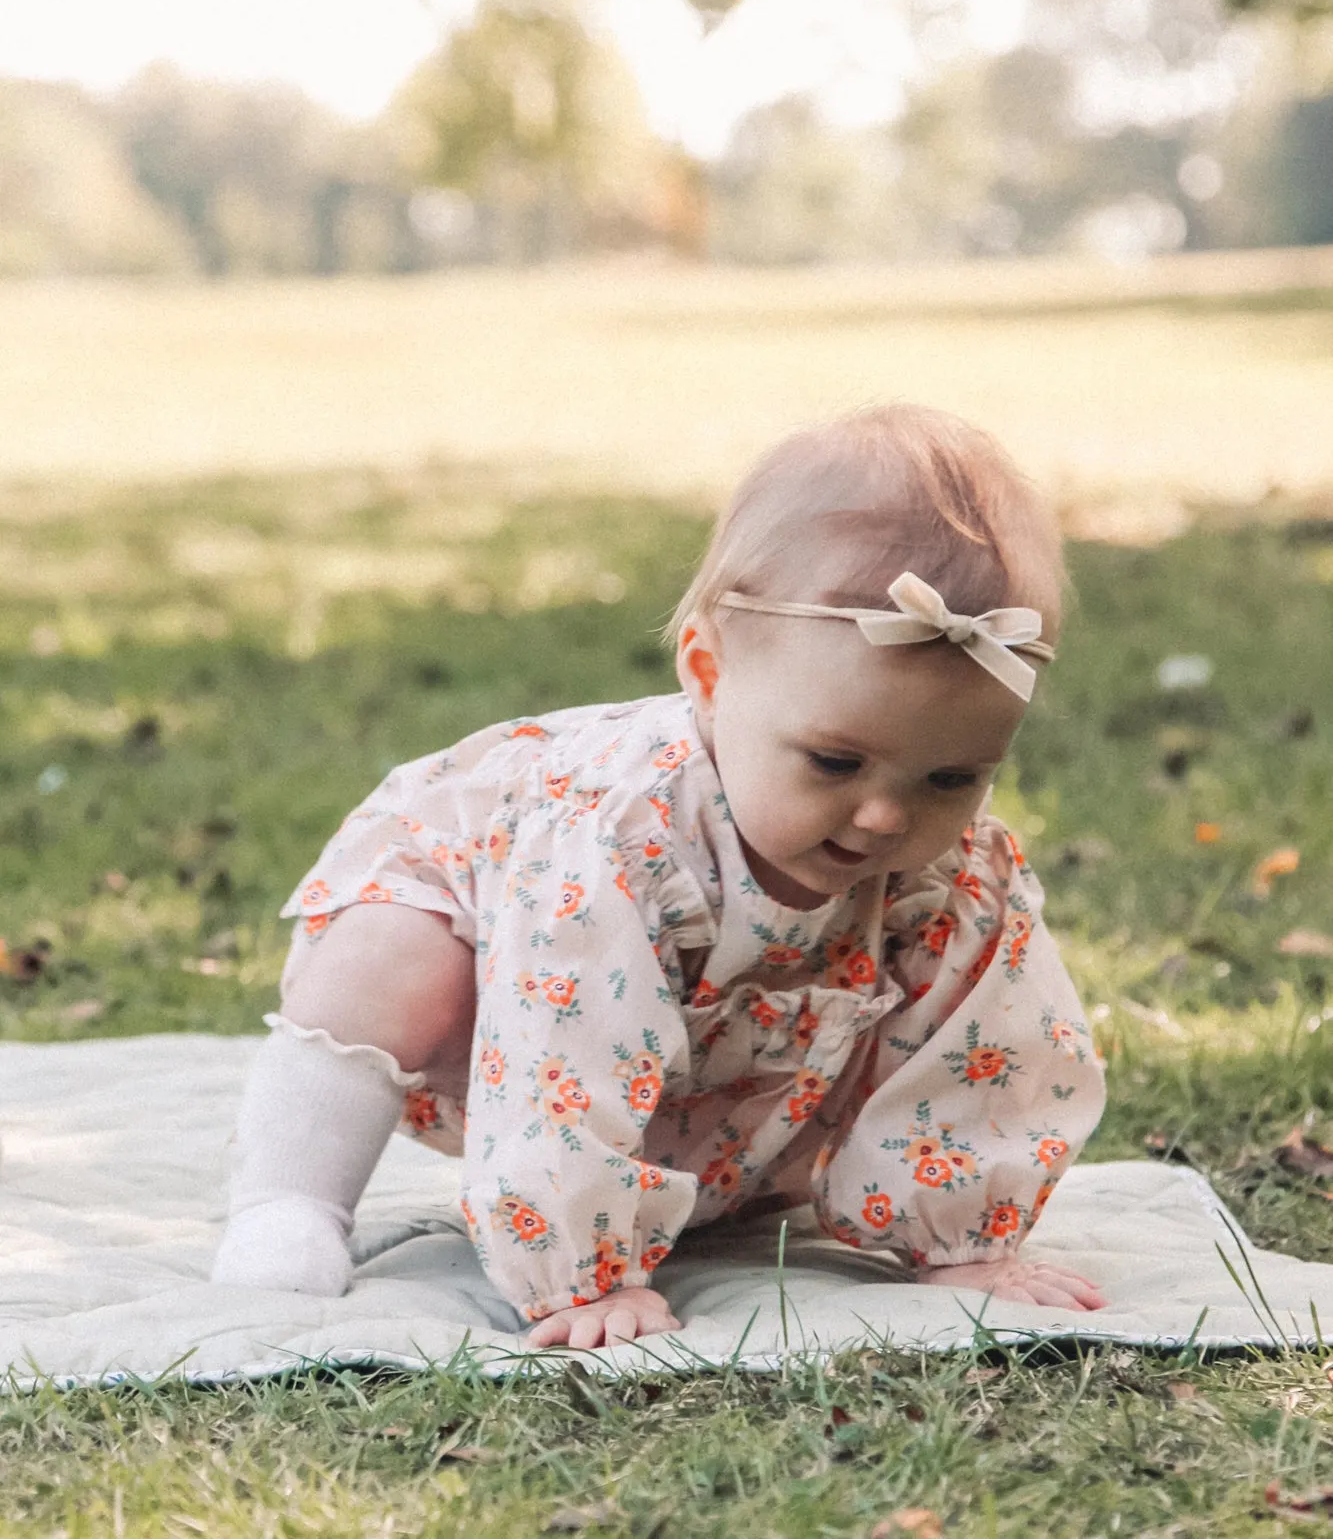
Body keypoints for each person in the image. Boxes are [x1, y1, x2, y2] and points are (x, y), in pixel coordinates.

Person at [212, 403, 1107, 1346]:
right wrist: (582, 1269)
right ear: (709, 677)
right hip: (501, 992)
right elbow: (562, 1044)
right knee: (394, 953)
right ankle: (290, 1197)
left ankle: (711, 1192)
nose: (886, 814)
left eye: (950, 777)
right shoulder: (618, 835)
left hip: (723, 1068)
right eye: (833, 764)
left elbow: (994, 1040)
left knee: (958, 958)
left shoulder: (947, 870)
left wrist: (962, 1232)